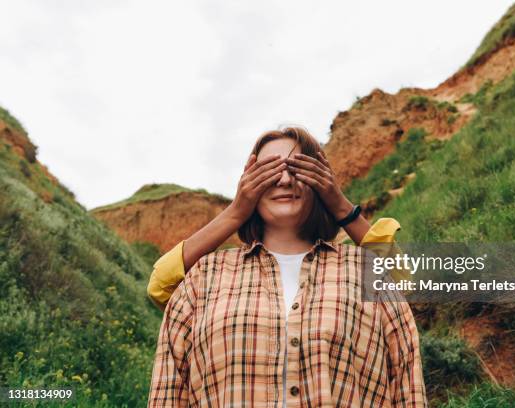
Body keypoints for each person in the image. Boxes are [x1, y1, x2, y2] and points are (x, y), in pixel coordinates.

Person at [147, 126, 427, 407]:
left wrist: (339, 204)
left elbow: (406, 285)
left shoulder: (364, 269)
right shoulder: (205, 275)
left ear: (320, 181)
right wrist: (236, 211)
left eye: (297, 169)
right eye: (268, 171)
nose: (284, 180)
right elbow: (160, 285)